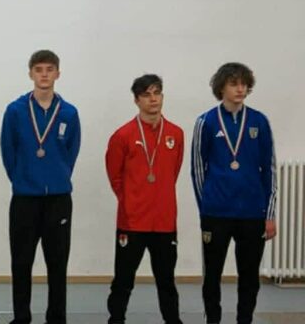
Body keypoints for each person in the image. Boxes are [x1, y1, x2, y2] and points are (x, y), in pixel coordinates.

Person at [192, 62, 277, 324]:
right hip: (216, 213)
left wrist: (269, 214)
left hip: (252, 213)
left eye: (244, 84)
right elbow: (197, 168)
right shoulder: (205, 122)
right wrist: (206, 206)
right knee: (212, 275)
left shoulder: (259, 121)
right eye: (234, 84)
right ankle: (213, 320)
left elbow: (269, 169)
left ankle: (245, 320)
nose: (240, 89)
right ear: (222, 88)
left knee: (249, 277)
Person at [0, 49, 81, 324]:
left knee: (57, 264)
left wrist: (57, 177)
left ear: (58, 73)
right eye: (39, 69)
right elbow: (8, 151)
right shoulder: (15, 111)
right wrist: (22, 180)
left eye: (49, 69)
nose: (44, 74)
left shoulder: (69, 112)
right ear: (30, 74)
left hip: (59, 199)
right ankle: (21, 317)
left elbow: (71, 153)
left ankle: (56, 318)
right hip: (25, 199)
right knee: (21, 262)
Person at [104, 74, 184, 324]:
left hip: (164, 222)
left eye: (157, 93)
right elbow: (114, 176)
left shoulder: (176, 134)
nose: (153, 99)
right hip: (132, 222)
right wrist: (131, 200)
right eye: (147, 95)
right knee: (123, 279)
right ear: (137, 100)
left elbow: (173, 172)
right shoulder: (122, 135)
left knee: (166, 280)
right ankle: (116, 320)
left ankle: (173, 321)